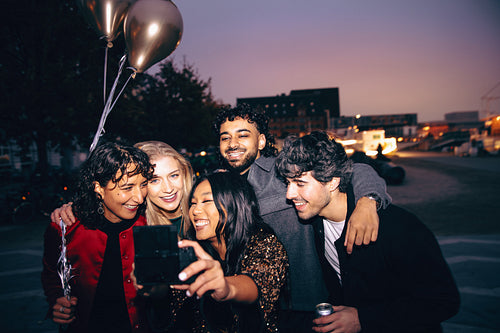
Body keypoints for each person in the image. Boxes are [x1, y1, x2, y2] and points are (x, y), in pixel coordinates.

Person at [212, 104, 391, 332]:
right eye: (225, 137)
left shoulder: (283, 172)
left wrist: (368, 200)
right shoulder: (219, 187)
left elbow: (355, 170)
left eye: (243, 135)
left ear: (262, 142)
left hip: (308, 304)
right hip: (252, 306)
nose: (232, 144)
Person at [275, 131, 460, 333]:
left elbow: (444, 300)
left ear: (333, 182)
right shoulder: (315, 223)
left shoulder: (397, 228)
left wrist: (363, 319)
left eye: (300, 183)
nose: (289, 194)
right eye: (288, 183)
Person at [141, 171, 288, 332]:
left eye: (206, 201)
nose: (195, 211)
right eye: (193, 203)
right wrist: (154, 288)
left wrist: (225, 287)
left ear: (234, 203)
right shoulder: (194, 252)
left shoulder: (265, 244)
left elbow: (255, 285)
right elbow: (174, 310)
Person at [41, 142, 154, 332]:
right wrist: (57, 300)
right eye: (127, 187)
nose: (139, 197)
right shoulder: (65, 228)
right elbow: (52, 272)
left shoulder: (149, 224)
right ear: (98, 188)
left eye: (143, 185)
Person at [51, 141, 194, 235]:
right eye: (154, 180)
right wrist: (70, 210)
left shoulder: (204, 209)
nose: (168, 188)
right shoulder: (138, 222)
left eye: (174, 176)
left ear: (184, 174)